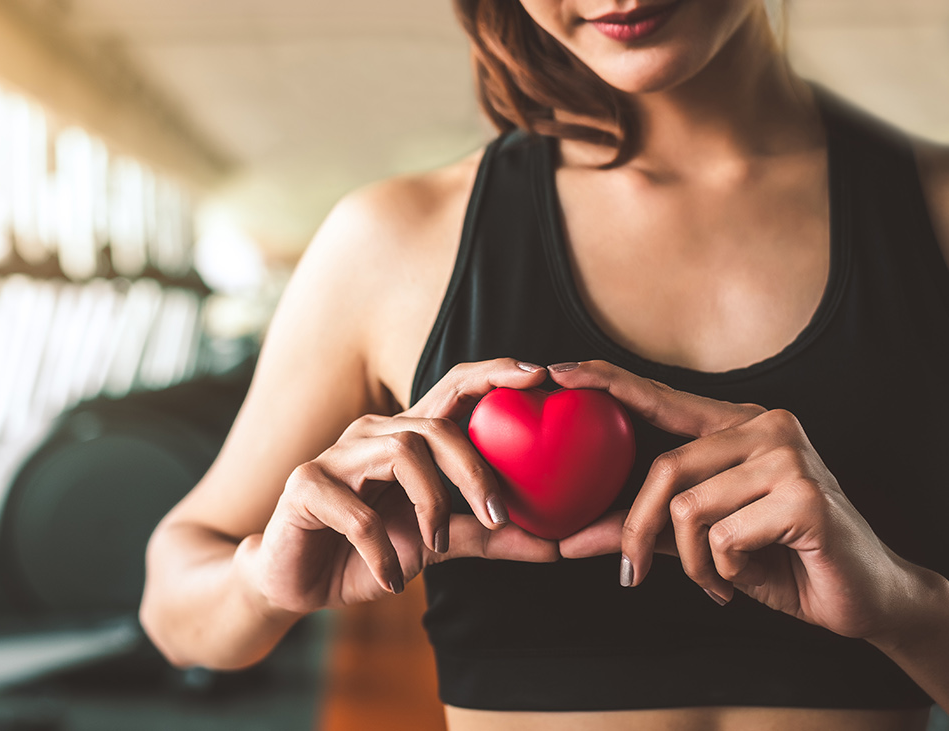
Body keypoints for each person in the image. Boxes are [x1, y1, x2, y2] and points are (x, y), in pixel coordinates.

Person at [139, 0, 949, 728]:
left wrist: (908, 609)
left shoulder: (936, 218)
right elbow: (172, 603)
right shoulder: (396, 243)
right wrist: (259, 582)